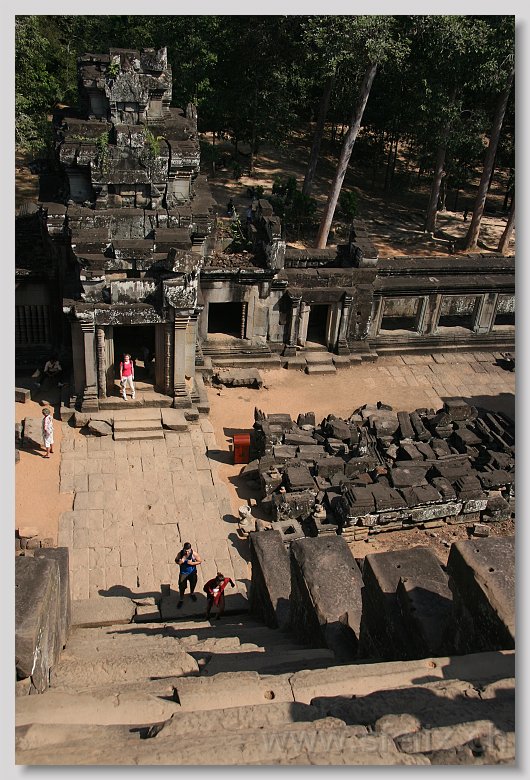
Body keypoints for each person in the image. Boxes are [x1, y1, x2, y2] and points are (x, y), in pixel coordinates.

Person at [176, 543, 203, 608]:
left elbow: (200, 561)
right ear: (183, 549)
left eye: (188, 551)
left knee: (193, 584)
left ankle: (192, 593)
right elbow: (176, 560)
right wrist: (181, 561)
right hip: (183, 573)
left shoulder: (194, 554)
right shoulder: (180, 554)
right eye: (185, 551)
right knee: (182, 587)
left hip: (192, 573)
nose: (187, 552)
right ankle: (181, 599)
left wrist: (192, 563)